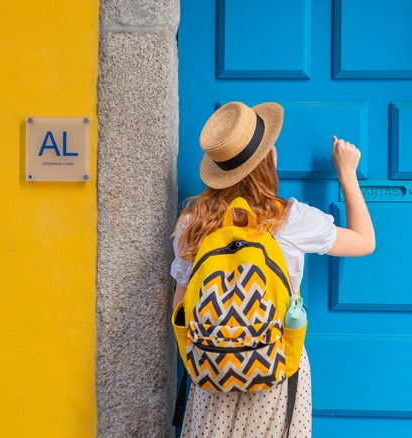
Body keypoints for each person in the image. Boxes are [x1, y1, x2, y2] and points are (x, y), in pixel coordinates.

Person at [170, 101, 375, 437]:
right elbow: (365, 241)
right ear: (268, 160)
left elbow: (181, 310)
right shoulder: (289, 220)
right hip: (275, 364)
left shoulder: (193, 224)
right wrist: (348, 175)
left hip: (212, 368)